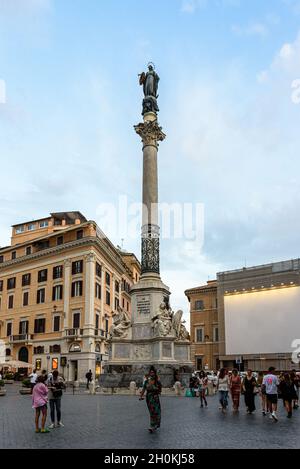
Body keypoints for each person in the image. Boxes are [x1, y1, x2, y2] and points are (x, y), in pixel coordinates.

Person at [139, 366, 162, 433]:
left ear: (155, 373)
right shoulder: (146, 381)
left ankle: (154, 425)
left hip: (155, 397)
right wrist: (141, 396)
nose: (152, 373)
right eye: (151, 372)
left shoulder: (157, 381)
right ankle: (153, 425)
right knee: (151, 411)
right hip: (149, 398)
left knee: (156, 411)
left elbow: (160, 389)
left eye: (153, 372)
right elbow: (143, 389)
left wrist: (157, 390)